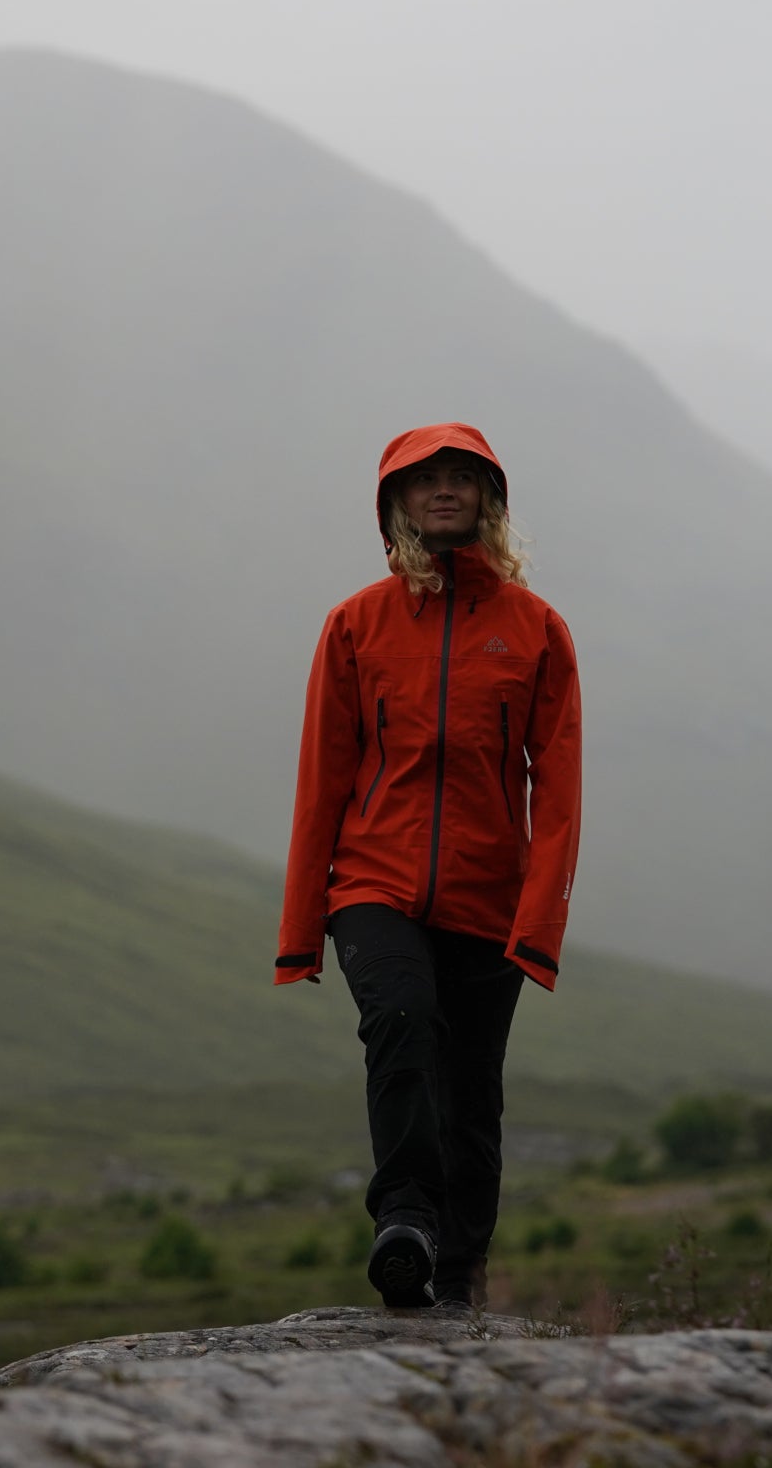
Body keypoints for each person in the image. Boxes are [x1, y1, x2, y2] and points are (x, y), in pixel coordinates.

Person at [273, 422, 582, 1313]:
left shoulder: (538, 633)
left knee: (472, 1096)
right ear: (395, 503)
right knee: (402, 1020)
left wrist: (538, 927)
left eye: (462, 477)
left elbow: (557, 792)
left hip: (492, 897)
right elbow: (320, 784)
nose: (444, 490)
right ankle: (403, 1219)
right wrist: (302, 934)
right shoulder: (355, 626)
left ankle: (458, 1278)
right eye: (424, 479)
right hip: (372, 885)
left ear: (490, 499)